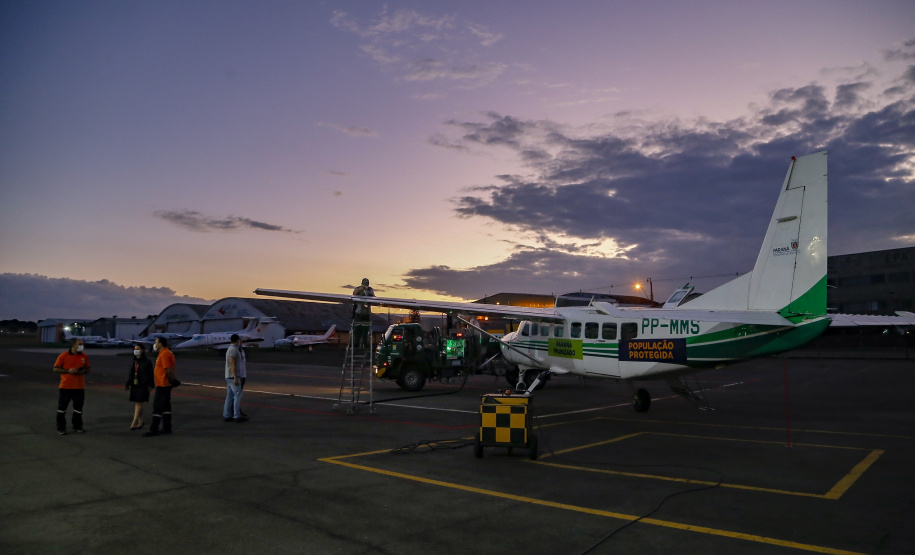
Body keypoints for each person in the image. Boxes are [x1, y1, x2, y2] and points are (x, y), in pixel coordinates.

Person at [53, 338, 91, 435]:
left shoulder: (84, 356)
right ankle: (61, 428)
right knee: (62, 408)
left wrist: (82, 371)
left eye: (82, 344)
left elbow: (88, 368)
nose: (82, 346)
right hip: (66, 387)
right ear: (74, 345)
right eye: (80, 344)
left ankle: (77, 426)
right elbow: (55, 369)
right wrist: (68, 371)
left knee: (78, 409)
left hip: (79, 387)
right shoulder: (63, 356)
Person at [144, 337, 176, 437]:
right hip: (163, 384)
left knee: (157, 407)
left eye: (156, 342)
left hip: (163, 385)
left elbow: (168, 370)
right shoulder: (164, 353)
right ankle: (167, 427)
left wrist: (172, 381)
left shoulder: (165, 354)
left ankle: (154, 429)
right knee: (166, 407)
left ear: (161, 344)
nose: (154, 344)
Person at [125, 343, 154, 430]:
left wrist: (151, 384)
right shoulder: (134, 361)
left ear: (142, 350)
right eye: (135, 349)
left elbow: (150, 374)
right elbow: (131, 373)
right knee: (137, 403)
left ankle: (134, 421)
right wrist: (128, 383)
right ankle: (141, 421)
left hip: (143, 384)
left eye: (137, 349)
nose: (136, 350)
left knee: (139, 403)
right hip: (135, 384)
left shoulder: (147, 361)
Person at [223, 334, 248, 423]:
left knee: (229, 396)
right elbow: (232, 364)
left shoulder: (230, 349)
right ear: (237, 340)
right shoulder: (233, 350)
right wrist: (235, 377)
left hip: (228, 376)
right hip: (232, 376)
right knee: (238, 395)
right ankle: (237, 415)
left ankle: (227, 415)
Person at [352, 277, 375, 349]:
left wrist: (368, 295)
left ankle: (365, 342)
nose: (365, 286)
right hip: (358, 312)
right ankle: (356, 343)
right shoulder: (357, 288)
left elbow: (373, 297)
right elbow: (354, 295)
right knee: (357, 328)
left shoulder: (370, 289)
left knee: (365, 328)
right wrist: (360, 290)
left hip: (366, 312)